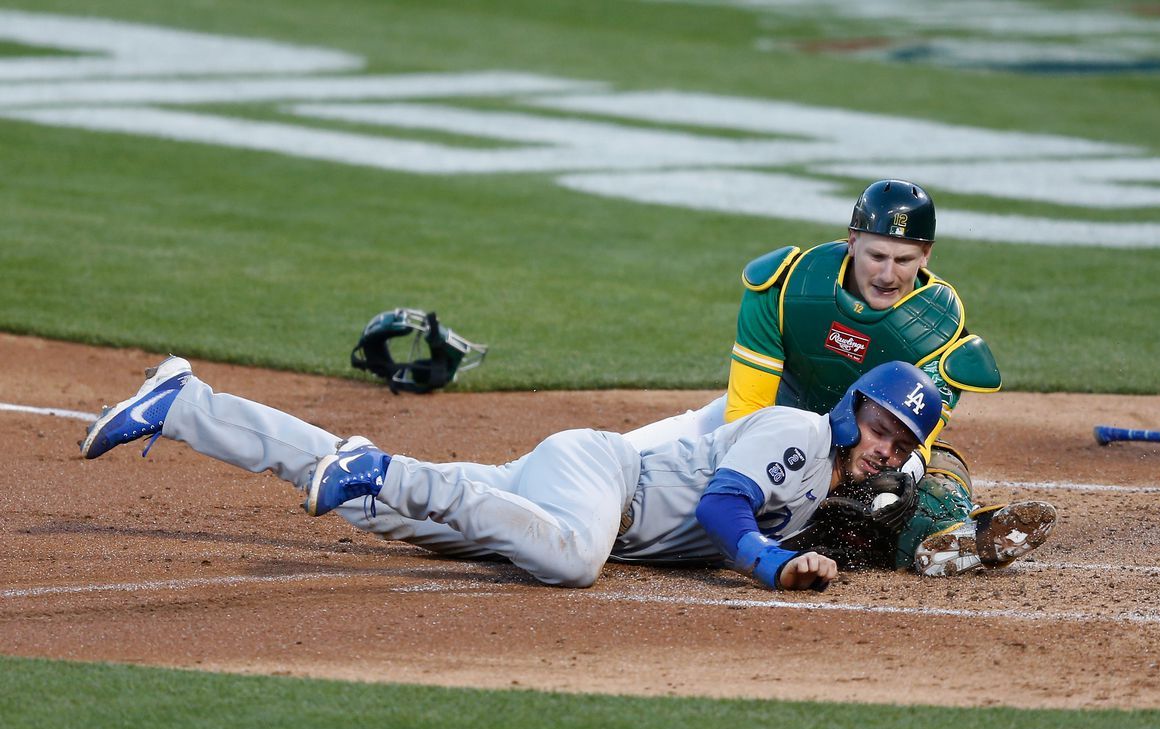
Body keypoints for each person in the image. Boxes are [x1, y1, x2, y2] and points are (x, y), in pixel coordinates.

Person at [79, 356, 993, 591]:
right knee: (568, 561)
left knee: (371, 512)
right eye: (880, 428)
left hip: (567, 480)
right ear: (852, 411)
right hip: (600, 480)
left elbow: (829, 522)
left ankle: (186, 404)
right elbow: (722, 512)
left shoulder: (830, 483)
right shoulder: (797, 430)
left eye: (900, 446)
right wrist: (769, 564)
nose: (885, 448)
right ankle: (381, 467)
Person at [623, 179, 1057, 576]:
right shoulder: (787, 286)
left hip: (858, 451)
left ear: (926, 255)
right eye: (877, 255)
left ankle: (947, 535)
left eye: (904, 259)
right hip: (763, 424)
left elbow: (915, 432)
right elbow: (745, 411)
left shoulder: (941, 333)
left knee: (934, 472)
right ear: (852, 242)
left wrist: (900, 475)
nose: (888, 275)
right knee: (627, 463)